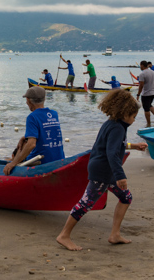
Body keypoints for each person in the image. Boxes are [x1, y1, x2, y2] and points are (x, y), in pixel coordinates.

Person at [56, 89, 147, 251]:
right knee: (86, 203)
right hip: (103, 172)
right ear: (124, 113)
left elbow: (116, 145)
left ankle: (115, 234)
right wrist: (120, 176)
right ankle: (64, 235)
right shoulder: (117, 128)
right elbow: (111, 153)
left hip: (107, 170)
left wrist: (134, 146)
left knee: (126, 197)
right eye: (133, 116)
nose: (134, 120)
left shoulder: (113, 124)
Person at [3, 86, 64, 175]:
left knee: (13, 158)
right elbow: (49, 133)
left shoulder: (32, 117)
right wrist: (25, 137)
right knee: (24, 142)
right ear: (44, 99)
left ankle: (11, 160)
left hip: (41, 162)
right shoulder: (54, 114)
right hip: (59, 160)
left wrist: (13, 163)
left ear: (28, 100)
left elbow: (31, 144)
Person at [136, 61, 154, 126]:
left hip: (146, 94)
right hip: (153, 93)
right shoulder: (153, 72)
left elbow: (141, 85)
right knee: (149, 105)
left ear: (142, 65)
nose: (140, 67)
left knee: (146, 109)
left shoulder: (142, 74)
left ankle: (148, 124)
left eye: (140, 66)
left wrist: (138, 94)